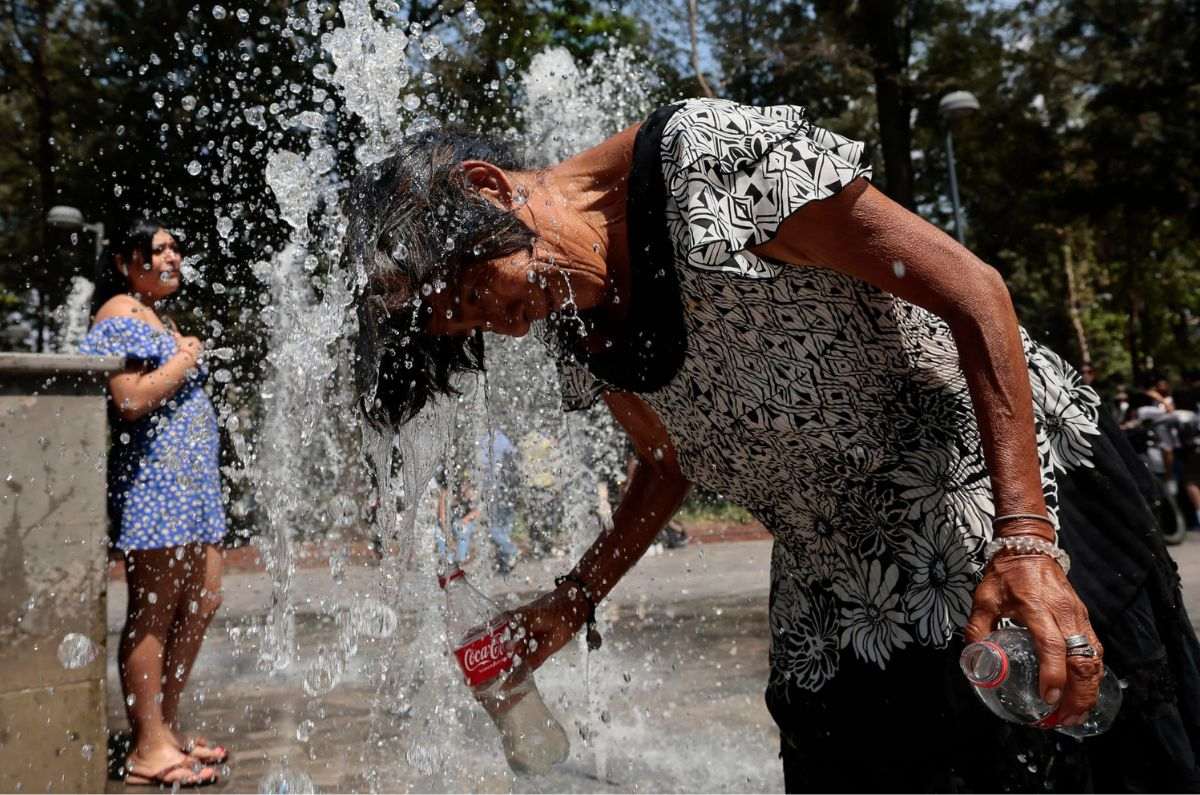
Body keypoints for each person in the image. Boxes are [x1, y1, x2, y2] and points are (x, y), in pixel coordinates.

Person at [345, 99, 1200, 791]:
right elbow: (666, 457)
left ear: (488, 186)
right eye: (459, 322)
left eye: (468, 290)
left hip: (994, 501)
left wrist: (1027, 541)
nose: (495, 323)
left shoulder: (708, 159)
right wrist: (573, 599)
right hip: (838, 573)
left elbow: (976, 293)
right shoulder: (576, 318)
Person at [79, 219, 227, 788]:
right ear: (124, 261)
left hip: (190, 489)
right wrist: (186, 357)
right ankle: (146, 747)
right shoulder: (119, 312)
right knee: (154, 612)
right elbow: (131, 399)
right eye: (157, 249)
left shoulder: (156, 317)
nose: (172, 256)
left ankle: (165, 725)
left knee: (205, 598)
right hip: (155, 485)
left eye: (175, 247)